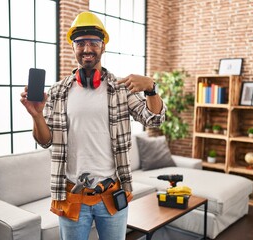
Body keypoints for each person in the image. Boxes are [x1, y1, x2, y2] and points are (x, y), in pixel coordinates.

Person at [20, 11, 166, 240]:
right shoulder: (58, 91)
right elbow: (45, 141)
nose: (87, 48)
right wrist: (36, 115)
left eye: (94, 42)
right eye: (80, 43)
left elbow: (154, 119)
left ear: (103, 46)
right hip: (71, 196)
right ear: (73, 47)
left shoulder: (120, 88)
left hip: (111, 195)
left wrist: (151, 87)